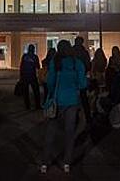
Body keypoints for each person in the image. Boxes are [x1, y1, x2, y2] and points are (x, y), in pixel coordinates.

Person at [40, 40, 87, 175]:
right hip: (72, 101)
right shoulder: (76, 63)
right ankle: (66, 163)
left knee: (50, 132)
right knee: (69, 132)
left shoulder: (56, 62)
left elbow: (50, 82)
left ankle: (44, 163)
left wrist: (51, 93)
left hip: (56, 101)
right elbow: (83, 84)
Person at [73, 36, 92, 124]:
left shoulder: (72, 52)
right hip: (80, 78)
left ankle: (76, 117)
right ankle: (87, 117)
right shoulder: (84, 53)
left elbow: (88, 65)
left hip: (75, 79)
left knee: (77, 98)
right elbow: (88, 65)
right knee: (83, 98)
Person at [20, 44, 42, 110]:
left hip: (25, 76)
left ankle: (27, 106)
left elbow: (21, 67)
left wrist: (21, 76)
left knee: (26, 92)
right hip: (32, 76)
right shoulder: (35, 57)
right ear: (33, 49)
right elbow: (38, 66)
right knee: (36, 91)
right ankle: (37, 105)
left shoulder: (24, 56)